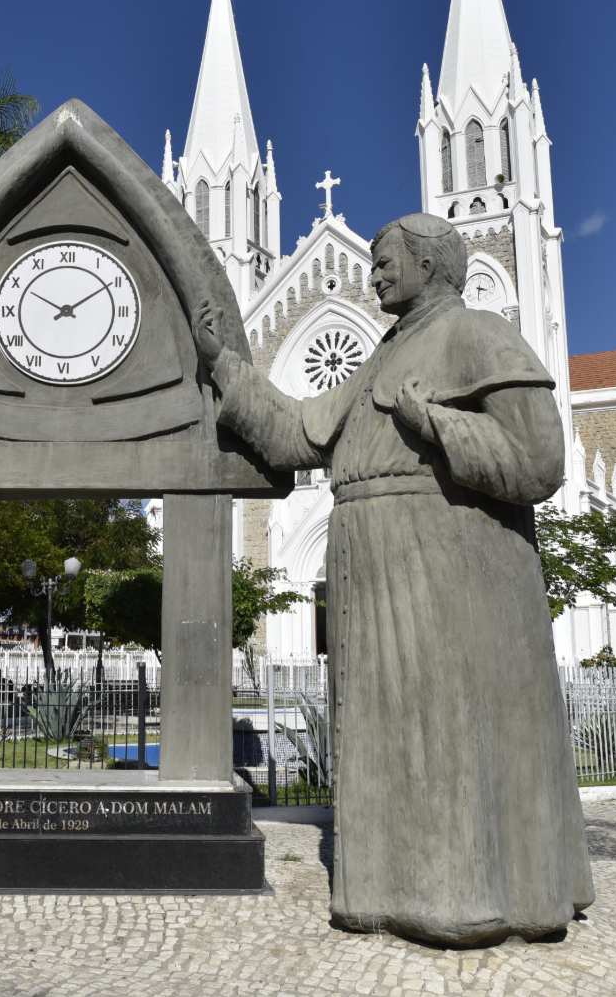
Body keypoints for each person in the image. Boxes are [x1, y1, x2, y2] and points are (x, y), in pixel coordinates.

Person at [193, 212, 592, 949]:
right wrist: (226, 367)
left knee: (447, 722)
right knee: (381, 726)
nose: (373, 274)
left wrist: (436, 422)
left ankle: (465, 894)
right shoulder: (383, 354)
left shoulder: (479, 336)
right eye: (373, 262)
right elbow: (299, 433)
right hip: (368, 555)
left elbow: (539, 462)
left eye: (385, 262)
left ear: (433, 265)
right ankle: (384, 890)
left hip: (447, 556)